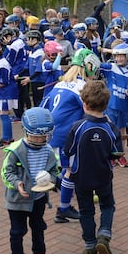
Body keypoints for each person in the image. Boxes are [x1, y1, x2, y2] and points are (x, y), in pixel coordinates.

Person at [60, 81, 122, 254]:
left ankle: (90, 246)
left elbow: (66, 152)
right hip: (103, 174)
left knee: (86, 210)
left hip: (81, 176)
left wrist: (68, 169)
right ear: (106, 104)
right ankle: (104, 234)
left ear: (84, 104)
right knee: (107, 205)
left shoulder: (77, 126)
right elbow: (117, 154)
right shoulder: (111, 128)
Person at [41, 48, 102, 222]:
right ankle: (63, 209)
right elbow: (90, 114)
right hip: (66, 136)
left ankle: (60, 187)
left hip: (53, 133)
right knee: (70, 171)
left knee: (68, 170)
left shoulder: (60, 84)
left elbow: (43, 106)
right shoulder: (82, 87)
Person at [2, 107, 60, 254]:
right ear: (26, 132)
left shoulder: (48, 150)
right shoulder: (15, 150)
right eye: (37, 135)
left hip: (39, 197)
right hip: (17, 200)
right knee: (17, 231)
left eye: (45, 135)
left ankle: (39, 253)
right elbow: (7, 172)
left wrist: (52, 180)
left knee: (38, 226)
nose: (41, 139)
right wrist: (17, 183)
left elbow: (55, 170)